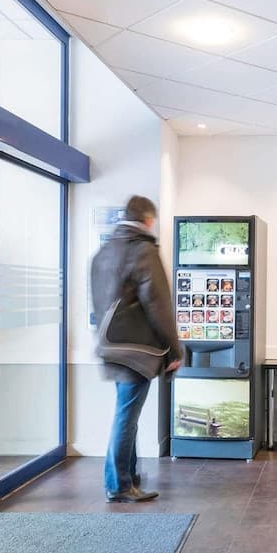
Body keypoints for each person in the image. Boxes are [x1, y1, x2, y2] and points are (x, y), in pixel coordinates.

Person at [91, 195, 182, 503]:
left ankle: (128, 476)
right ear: (148, 220)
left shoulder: (104, 252)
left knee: (125, 412)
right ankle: (118, 484)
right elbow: (158, 304)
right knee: (126, 416)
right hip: (137, 351)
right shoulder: (143, 251)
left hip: (110, 346)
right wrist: (175, 349)